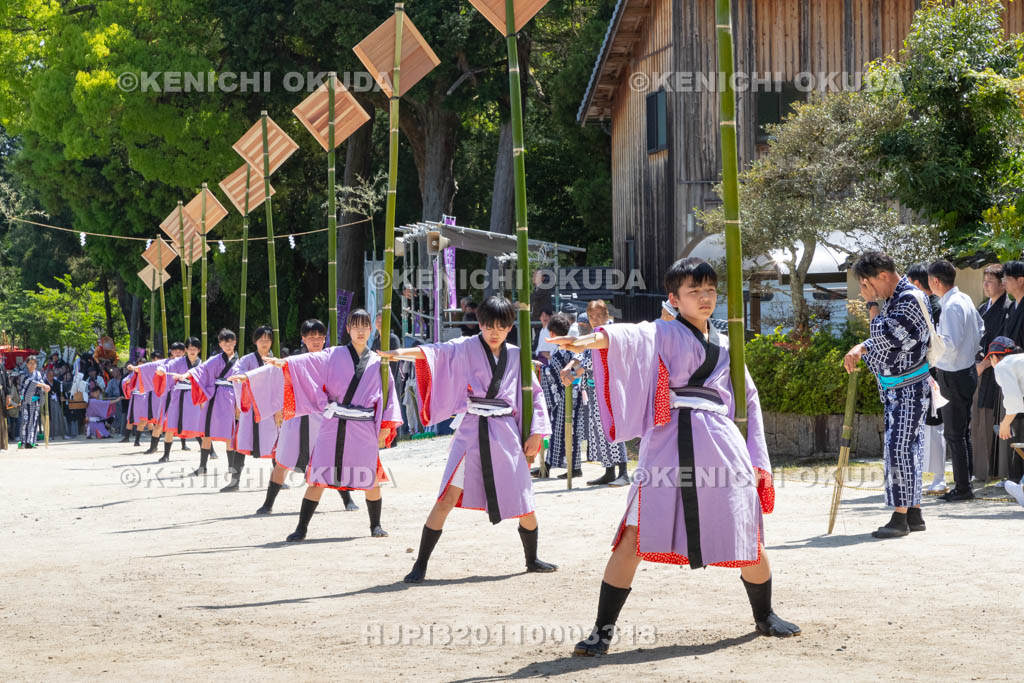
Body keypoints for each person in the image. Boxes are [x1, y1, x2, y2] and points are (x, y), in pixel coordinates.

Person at [548, 258, 799, 657]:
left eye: (710, 290)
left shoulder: (727, 343)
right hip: (668, 440)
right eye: (694, 291)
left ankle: (765, 615)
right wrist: (590, 340)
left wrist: (756, 459)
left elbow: (748, 400)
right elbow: (629, 336)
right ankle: (601, 632)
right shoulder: (662, 332)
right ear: (674, 299)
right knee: (634, 533)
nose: (704, 298)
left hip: (720, 443)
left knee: (744, 526)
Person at [379, 296, 557, 583]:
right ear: (480, 324)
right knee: (446, 497)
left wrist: (536, 433)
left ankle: (532, 558)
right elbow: (435, 354)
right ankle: (420, 564)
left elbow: (535, 397)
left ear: (510, 327)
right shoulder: (465, 347)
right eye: (489, 326)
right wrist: (399, 353)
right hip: (471, 429)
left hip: (506, 432)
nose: (494, 332)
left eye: (501, 326)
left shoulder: (517, 355)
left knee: (522, 496)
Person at [234, 310, 402, 540]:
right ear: (348, 329)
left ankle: (376, 525)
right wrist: (280, 364)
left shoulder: (378, 362)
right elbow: (303, 363)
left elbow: (389, 394)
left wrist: (385, 425)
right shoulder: (333, 355)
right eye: (356, 326)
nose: (361, 331)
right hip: (333, 424)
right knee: (319, 475)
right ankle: (301, 528)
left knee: (370, 476)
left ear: (371, 329)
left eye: (365, 326)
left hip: (363, 426)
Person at [844, 251, 931, 538]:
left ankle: (900, 516)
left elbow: (887, 337)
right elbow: (884, 337)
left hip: (909, 387)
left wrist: (871, 307)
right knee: (908, 447)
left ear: (882, 276)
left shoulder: (909, 299)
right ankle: (913, 512)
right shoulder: (898, 298)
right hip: (901, 387)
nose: (867, 291)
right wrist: (864, 344)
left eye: (867, 284)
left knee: (899, 448)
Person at [251, 319, 359, 514]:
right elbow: (274, 375)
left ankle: (347, 499)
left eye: (319, 336)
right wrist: (247, 379)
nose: (316, 340)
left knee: (331, 459)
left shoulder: (333, 360)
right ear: (303, 339)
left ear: (325, 338)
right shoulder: (295, 361)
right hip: (296, 415)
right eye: (311, 337)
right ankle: (268, 503)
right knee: (283, 459)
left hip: (324, 415)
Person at [928, 260, 985, 501]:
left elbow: (949, 344)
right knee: (962, 431)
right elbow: (981, 328)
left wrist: (931, 352)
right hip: (967, 369)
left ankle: (963, 488)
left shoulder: (951, 305)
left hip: (953, 373)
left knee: (954, 433)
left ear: (936, 281)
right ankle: (965, 482)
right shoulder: (965, 299)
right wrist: (969, 351)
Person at [177, 329, 239, 478]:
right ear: (220, 344)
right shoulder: (215, 359)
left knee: (229, 433)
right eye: (224, 342)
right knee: (207, 432)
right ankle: (202, 467)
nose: (228, 345)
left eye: (230, 342)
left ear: (235, 342)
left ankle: (231, 467)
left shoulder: (240, 362)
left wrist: (239, 404)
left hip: (231, 397)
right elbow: (201, 370)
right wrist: (186, 374)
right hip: (214, 398)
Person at [906, 264, 946, 493]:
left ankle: (940, 477)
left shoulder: (934, 306)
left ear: (916, 284)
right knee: (928, 426)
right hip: (924, 370)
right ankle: (931, 475)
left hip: (934, 371)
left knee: (936, 424)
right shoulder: (927, 305)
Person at [224, 326, 279, 491]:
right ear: (255, 341)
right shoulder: (247, 360)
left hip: (269, 409)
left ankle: (278, 481)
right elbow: (237, 376)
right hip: (250, 407)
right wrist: (245, 383)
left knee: (276, 443)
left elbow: (280, 385)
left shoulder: (275, 361)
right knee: (242, 442)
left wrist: (279, 409)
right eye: (261, 340)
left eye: (268, 340)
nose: (265, 343)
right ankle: (234, 481)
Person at [972, 264, 1009, 482]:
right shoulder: (982, 308)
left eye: (990, 282)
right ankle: (980, 470)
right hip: (979, 369)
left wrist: (984, 365)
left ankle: (997, 471)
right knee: (978, 419)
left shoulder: (1007, 309)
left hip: (996, 371)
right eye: (984, 281)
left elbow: (1002, 344)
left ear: (1003, 284)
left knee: (994, 418)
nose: (986, 285)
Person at [537, 313, 584, 478]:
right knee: (559, 431)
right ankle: (548, 465)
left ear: (551, 333)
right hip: (564, 395)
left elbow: (557, 373)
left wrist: (543, 368)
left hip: (567, 395)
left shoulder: (564, 350)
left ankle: (574, 467)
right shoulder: (565, 348)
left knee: (570, 432)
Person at [983, 337, 1024, 508]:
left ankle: (1022, 491)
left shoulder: (1003, 366)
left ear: (994, 357)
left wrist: (1005, 423)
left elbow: (1014, 400)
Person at [155, 338, 204, 463]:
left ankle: (209, 451)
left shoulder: (202, 364)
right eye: (190, 348)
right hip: (178, 395)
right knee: (171, 424)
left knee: (198, 424)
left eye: (195, 349)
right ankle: (166, 454)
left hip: (194, 396)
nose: (192, 351)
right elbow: (167, 366)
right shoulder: (178, 361)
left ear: (199, 350)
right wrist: (162, 369)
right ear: (186, 350)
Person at [18, 357, 50, 448]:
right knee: (26, 420)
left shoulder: (38, 373)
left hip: (35, 400)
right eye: (30, 363)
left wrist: (45, 387)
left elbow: (41, 382)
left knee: (34, 420)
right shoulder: (23, 373)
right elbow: (29, 382)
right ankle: (25, 441)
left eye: (34, 363)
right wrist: (43, 385)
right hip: (26, 400)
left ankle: (32, 440)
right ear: (27, 364)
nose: (32, 365)